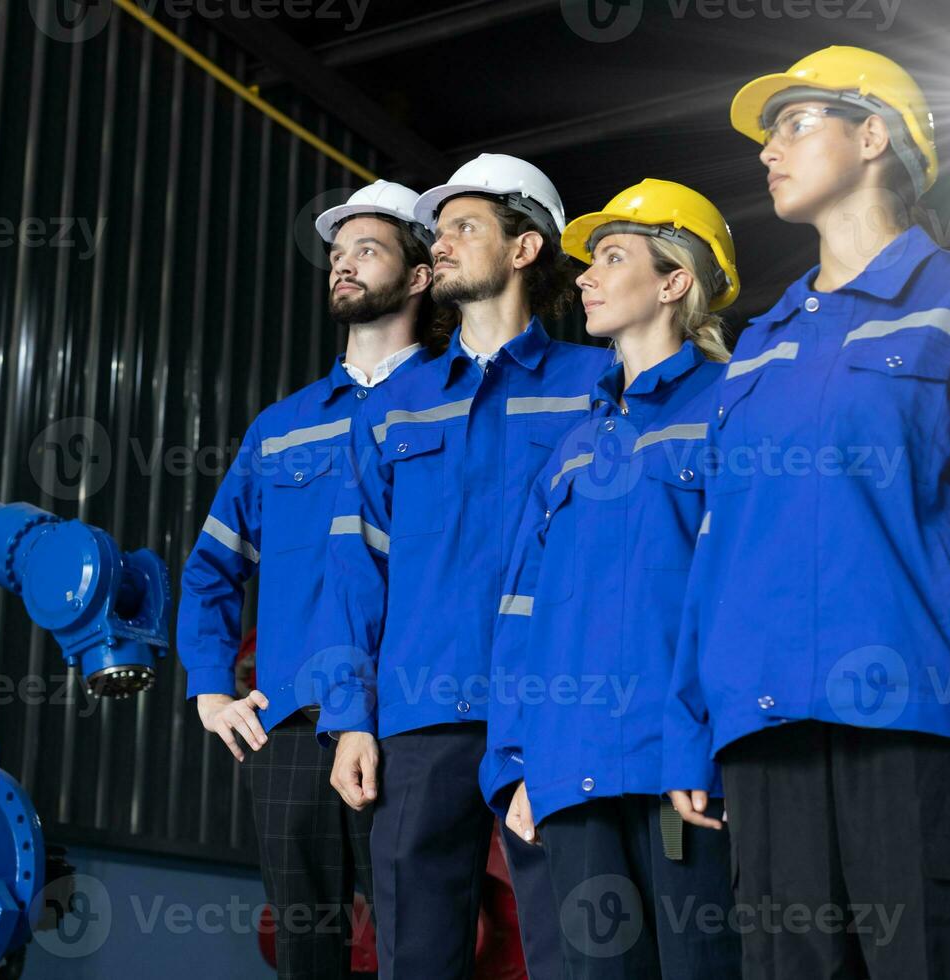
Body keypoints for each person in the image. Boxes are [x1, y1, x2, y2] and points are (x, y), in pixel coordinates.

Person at [663, 46, 950, 979]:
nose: (770, 151)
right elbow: (716, 555)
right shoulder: (758, 351)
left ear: (874, 135)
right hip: (765, 744)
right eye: (768, 136)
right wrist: (692, 729)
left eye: (797, 124)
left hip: (917, 735)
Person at [314, 153, 611, 979]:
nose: (438, 245)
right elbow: (355, 567)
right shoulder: (396, 404)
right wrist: (351, 719)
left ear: (523, 249)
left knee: (570, 947)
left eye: (463, 228)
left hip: (557, 710)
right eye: (436, 231)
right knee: (414, 953)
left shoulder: (598, 383)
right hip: (420, 714)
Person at [482, 179, 744, 979]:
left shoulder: (734, 411)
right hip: (571, 773)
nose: (586, 278)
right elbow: (519, 615)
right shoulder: (571, 449)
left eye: (613, 257)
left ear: (675, 281)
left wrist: (715, 751)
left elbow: (742, 599)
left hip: (685, 776)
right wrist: (513, 761)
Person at [176, 179, 435, 980]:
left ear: (420, 276)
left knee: (421, 946)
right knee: (306, 952)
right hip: (289, 728)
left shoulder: (451, 403)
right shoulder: (281, 425)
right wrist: (211, 688)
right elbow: (212, 567)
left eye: (368, 249)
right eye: (336, 254)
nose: (342, 266)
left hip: (413, 720)